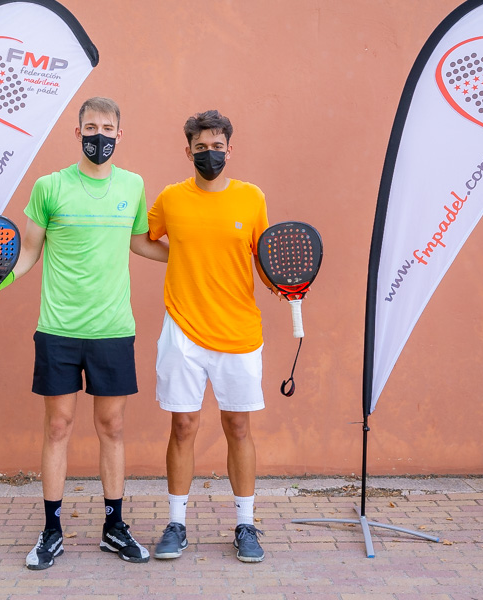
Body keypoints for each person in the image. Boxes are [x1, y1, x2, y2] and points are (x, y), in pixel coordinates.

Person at [0, 97, 168, 570]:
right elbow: (28, 252)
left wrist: (196, 255)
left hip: (113, 330)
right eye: (91, 127)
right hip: (58, 330)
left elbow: (139, 243)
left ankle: (114, 528)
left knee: (112, 428)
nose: (100, 135)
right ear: (78, 133)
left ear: (120, 134)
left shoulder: (134, 185)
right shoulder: (50, 187)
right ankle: (52, 531)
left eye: (108, 128)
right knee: (58, 428)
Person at [147, 110, 270, 563]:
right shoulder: (171, 198)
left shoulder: (252, 197)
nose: (210, 154)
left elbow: (263, 256)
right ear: (188, 152)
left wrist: (283, 286)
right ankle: (176, 524)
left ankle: (245, 525)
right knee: (182, 426)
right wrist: (179, 258)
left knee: (238, 426)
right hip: (182, 330)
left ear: (229, 150)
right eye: (201, 148)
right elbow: (141, 238)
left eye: (217, 147)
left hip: (239, 331)